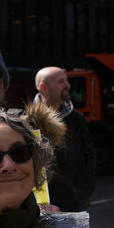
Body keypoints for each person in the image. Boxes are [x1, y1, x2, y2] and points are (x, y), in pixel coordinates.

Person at [34, 66, 96, 212]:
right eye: (61, 81)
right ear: (44, 87)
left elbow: (90, 154)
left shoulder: (76, 118)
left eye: (67, 81)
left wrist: (88, 186)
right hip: (48, 206)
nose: (67, 85)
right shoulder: (29, 121)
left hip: (77, 201)